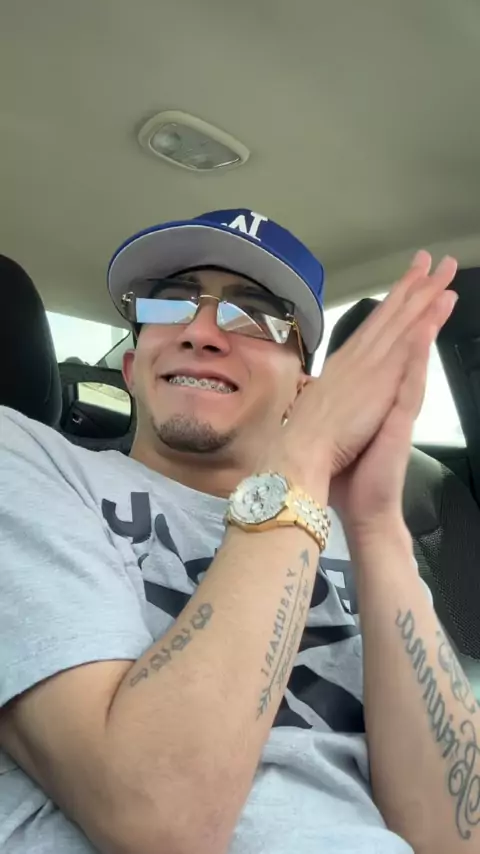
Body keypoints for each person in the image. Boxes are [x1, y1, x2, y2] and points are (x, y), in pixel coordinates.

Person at [0, 208, 477, 854]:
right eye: (170, 306)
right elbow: (160, 818)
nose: (200, 332)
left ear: (303, 392)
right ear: (133, 367)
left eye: (253, 315)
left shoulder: (356, 540)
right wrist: (303, 457)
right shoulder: (28, 463)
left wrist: (376, 526)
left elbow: (456, 834)